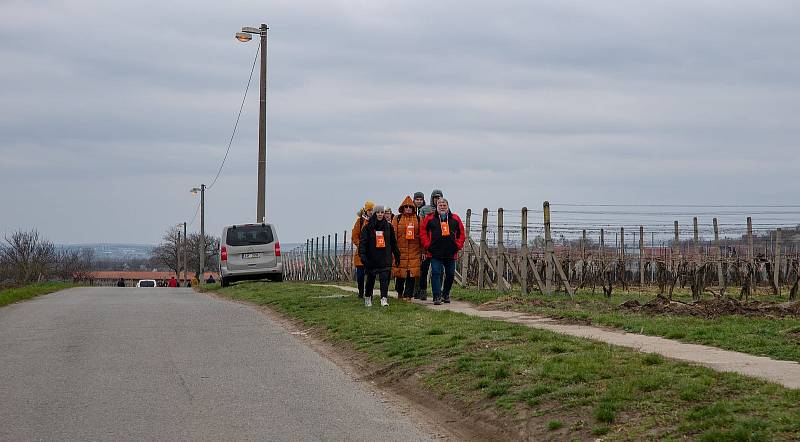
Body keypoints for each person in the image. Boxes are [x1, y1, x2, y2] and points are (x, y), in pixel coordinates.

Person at [420, 198, 465, 305]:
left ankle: (446, 293)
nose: (442, 207)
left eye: (444, 205)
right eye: (440, 205)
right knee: (436, 273)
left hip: (451, 252)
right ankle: (437, 296)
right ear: (437, 206)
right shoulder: (430, 218)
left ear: (448, 206)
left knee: (450, 274)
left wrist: (457, 246)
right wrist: (427, 245)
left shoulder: (455, 218)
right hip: (435, 252)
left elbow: (461, 233)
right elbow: (423, 232)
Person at [359, 205, 400, 307]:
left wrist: (397, 254)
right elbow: (363, 243)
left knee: (384, 279)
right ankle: (368, 297)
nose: (380, 214)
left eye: (382, 212)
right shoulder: (368, 227)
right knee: (370, 280)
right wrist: (363, 255)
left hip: (385, 257)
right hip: (372, 258)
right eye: (378, 212)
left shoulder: (389, 227)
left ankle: (384, 298)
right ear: (374, 214)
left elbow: (393, 242)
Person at [392, 196, 422, 300]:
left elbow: (421, 235)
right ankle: (399, 292)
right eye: (406, 206)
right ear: (403, 208)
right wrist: (393, 250)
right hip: (400, 251)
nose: (408, 208)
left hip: (414, 251)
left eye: (410, 206)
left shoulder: (418, 219)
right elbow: (393, 235)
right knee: (400, 274)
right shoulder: (397, 218)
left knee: (411, 275)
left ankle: (408, 295)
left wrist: (422, 250)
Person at [416, 189, 443, 300]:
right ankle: (423, 290)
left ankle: (438, 292)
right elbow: (421, 228)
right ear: (432, 198)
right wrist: (423, 247)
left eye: (439, 197)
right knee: (424, 269)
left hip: (439, 246)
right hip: (427, 244)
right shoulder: (424, 210)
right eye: (435, 197)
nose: (437, 200)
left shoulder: (444, 209)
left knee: (439, 271)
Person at [352, 201, 375, 298]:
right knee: (360, 275)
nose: (371, 212)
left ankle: (369, 292)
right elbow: (354, 236)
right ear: (365, 210)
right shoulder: (360, 222)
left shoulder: (375, 221)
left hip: (372, 253)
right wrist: (361, 246)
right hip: (361, 253)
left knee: (371, 275)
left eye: (372, 210)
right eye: (369, 210)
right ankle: (361, 291)